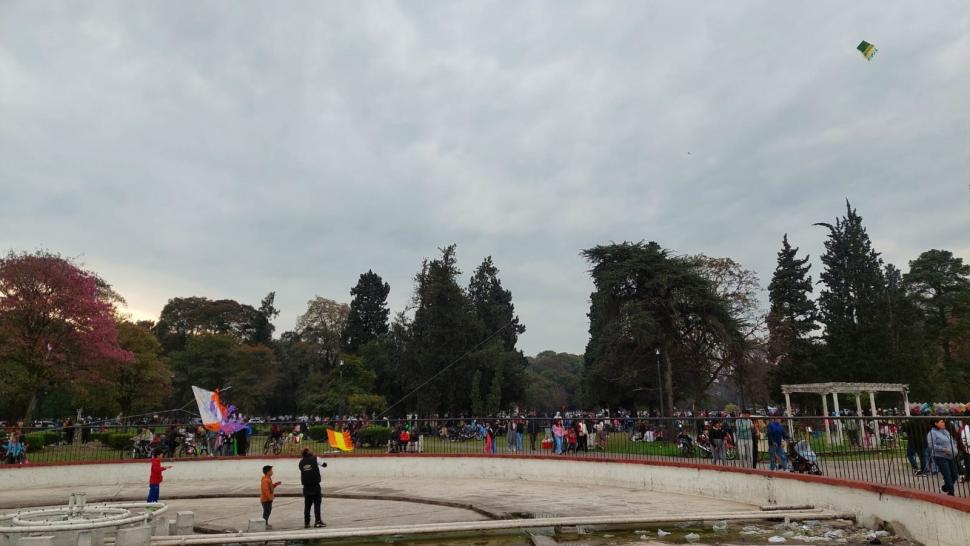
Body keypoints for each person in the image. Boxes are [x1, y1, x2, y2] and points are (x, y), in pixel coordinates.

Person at [927, 418, 959, 496]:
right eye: (942, 422)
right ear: (935, 423)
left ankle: (946, 486)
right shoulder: (932, 433)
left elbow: (951, 440)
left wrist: (954, 447)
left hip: (950, 456)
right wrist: (942, 449)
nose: (944, 423)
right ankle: (951, 493)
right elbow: (931, 445)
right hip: (940, 457)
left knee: (954, 475)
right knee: (947, 474)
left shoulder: (945, 431)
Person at [298, 448, 326, 527]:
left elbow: (301, 469)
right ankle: (318, 521)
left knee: (307, 505)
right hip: (315, 485)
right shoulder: (315, 458)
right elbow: (324, 465)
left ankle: (306, 522)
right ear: (308, 452)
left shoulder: (301, 462)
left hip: (306, 487)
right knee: (317, 504)